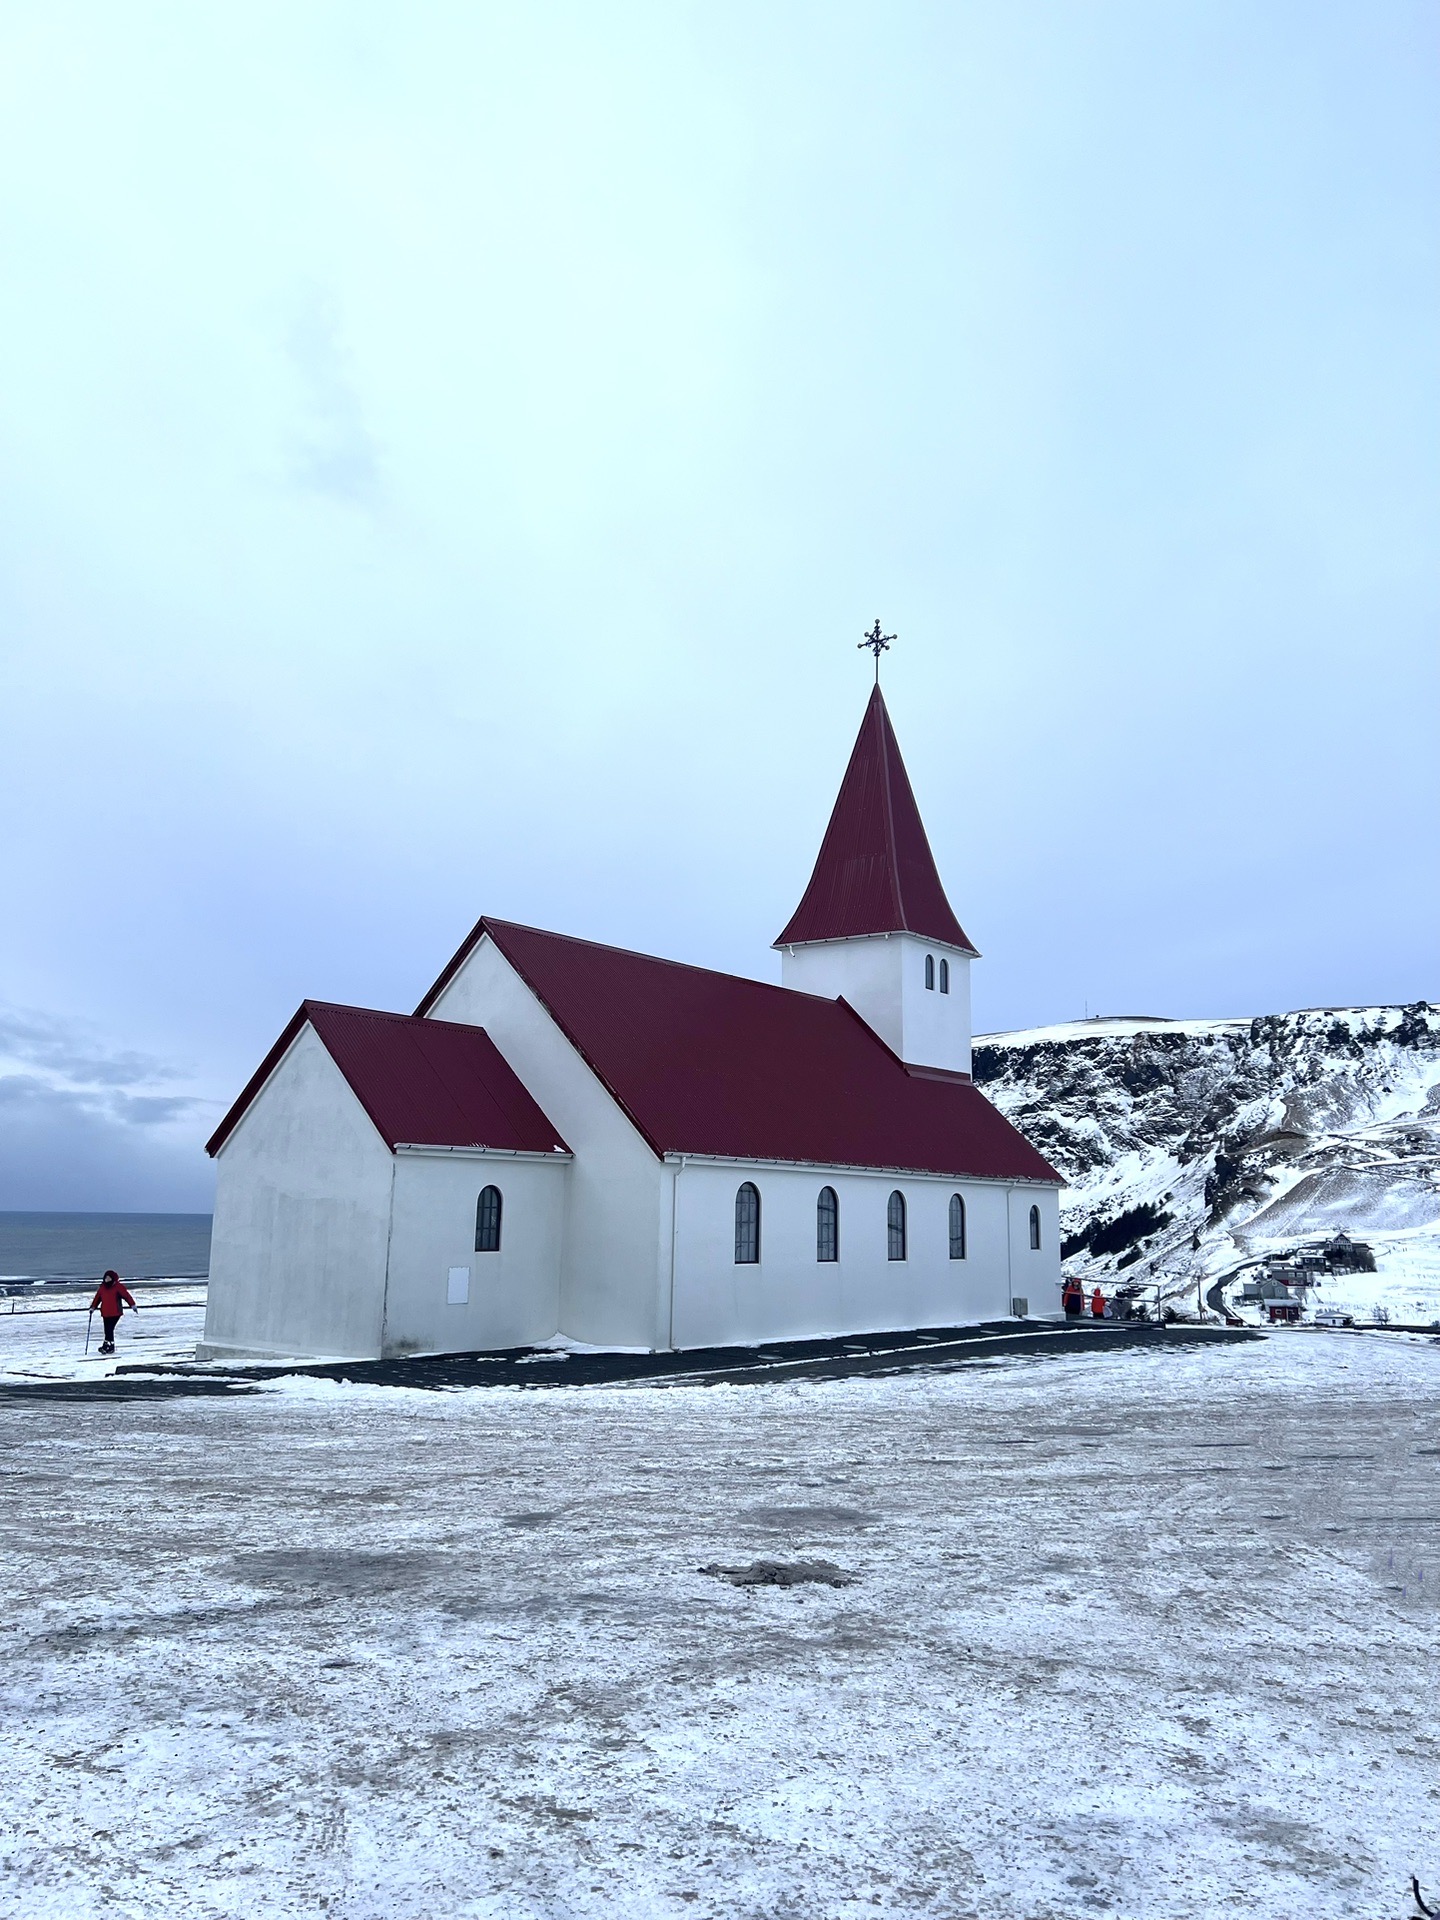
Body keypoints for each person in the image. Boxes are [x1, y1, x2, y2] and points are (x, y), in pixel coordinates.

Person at [89, 1269, 137, 1355]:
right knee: (107, 1330)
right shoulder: (102, 1287)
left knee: (109, 1330)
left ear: (113, 1278)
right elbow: (97, 1299)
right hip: (105, 1312)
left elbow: (127, 1296)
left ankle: (107, 1346)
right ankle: (109, 1347)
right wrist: (93, 1307)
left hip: (116, 1312)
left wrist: (132, 1305)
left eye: (109, 1278)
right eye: (106, 1278)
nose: (107, 1279)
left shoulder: (118, 1287)